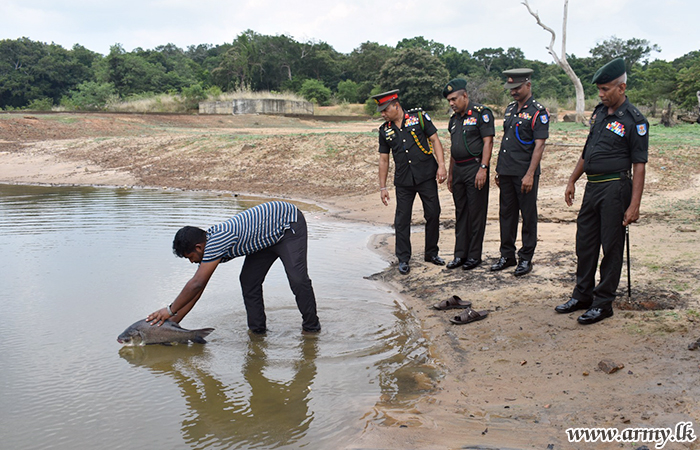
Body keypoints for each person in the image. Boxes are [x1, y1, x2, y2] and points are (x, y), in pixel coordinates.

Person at [555, 58, 648, 325]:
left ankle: (603, 302)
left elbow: (639, 165)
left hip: (615, 189)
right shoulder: (597, 113)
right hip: (592, 187)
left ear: (622, 87)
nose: (601, 94)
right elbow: (588, 151)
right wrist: (573, 179)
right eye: (599, 90)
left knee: (611, 246)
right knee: (585, 244)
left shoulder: (634, 120)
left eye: (606, 89)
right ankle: (582, 295)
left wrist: (634, 205)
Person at [147, 201, 321, 334]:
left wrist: (169, 310)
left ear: (199, 247)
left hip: (287, 225)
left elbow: (196, 284)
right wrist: (174, 322)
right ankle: (257, 332)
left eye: (190, 257)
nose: (192, 262)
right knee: (249, 281)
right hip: (264, 238)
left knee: (298, 279)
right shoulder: (208, 245)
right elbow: (197, 290)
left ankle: (311, 328)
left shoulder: (216, 242)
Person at [373, 89, 448, 275]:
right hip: (404, 181)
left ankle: (431, 253)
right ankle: (403, 259)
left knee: (433, 214)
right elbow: (384, 159)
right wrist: (382, 187)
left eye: (385, 110)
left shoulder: (419, 117)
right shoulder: (385, 130)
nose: (382, 114)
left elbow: (435, 140)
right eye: (381, 111)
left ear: (395, 105)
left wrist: (442, 165)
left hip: (426, 176)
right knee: (402, 220)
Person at [491, 68, 549, 276]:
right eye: (511, 88)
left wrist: (530, 174)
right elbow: (506, 141)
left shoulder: (538, 112)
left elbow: (539, 145)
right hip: (507, 171)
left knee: (528, 215)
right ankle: (507, 256)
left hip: (525, 173)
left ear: (528, 85)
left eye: (517, 88)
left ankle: (526, 258)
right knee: (506, 215)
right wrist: (499, 170)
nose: (513, 92)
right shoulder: (509, 109)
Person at [442, 79, 495, 270]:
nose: (451, 103)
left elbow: (488, 143)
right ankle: (459, 255)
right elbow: (453, 149)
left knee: (476, 213)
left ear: (465, 95)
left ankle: (474, 256)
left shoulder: (482, 113)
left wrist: (483, 167)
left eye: (454, 99)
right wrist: (450, 174)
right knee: (461, 212)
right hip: (458, 170)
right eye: (449, 100)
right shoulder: (453, 120)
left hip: (475, 168)